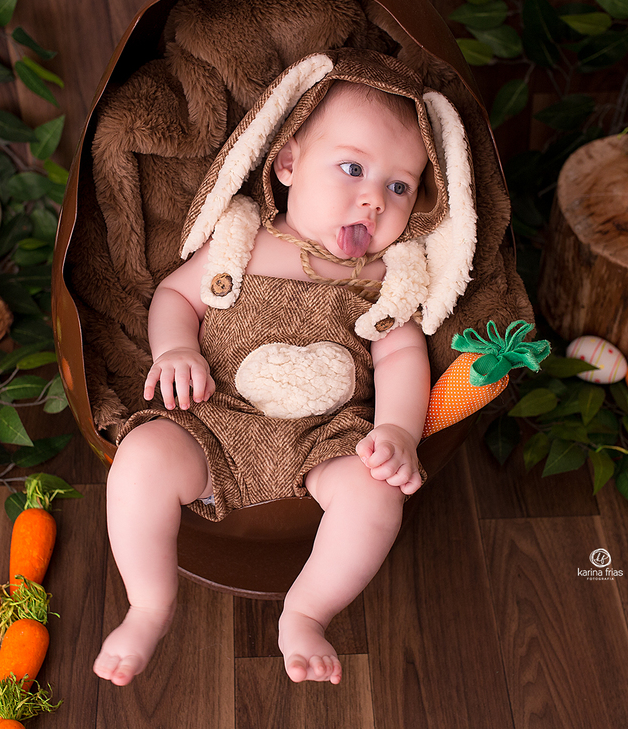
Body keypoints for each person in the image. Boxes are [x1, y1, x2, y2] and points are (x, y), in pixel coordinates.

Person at [92, 49, 477, 687]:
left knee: (376, 495)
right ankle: (147, 605)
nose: (373, 201)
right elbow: (176, 296)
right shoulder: (243, 239)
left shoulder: (389, 278)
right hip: (214, 416)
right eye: (352, 168)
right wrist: (176, 350)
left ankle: (305, 613)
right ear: (291, 164)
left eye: (399, 186)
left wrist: (400, 432)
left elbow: (403, 356)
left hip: (325, 438)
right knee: (142, 455)